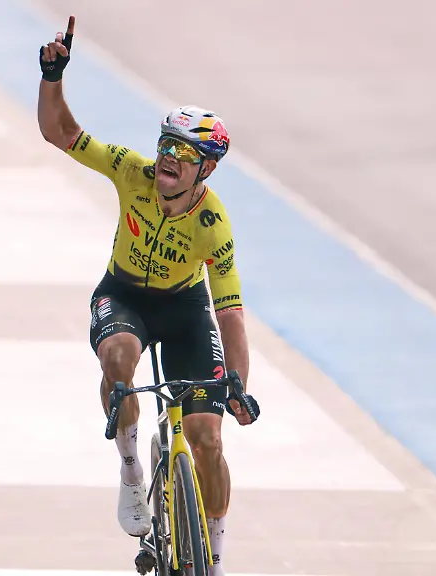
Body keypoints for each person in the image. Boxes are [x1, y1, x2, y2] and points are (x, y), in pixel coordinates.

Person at [37, 16, 259, 576]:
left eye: (182, 153)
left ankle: (213, 551)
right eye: (165, 143)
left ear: (205, 168)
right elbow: (60, 133)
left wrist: (237, 383)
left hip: (185, 310)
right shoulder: (131, 172)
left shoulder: (214, 224)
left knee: (208, 437)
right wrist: (52, 76)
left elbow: (229, 310)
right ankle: (133, 473)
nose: (167, 157)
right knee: (117, 359)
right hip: (126, 295)